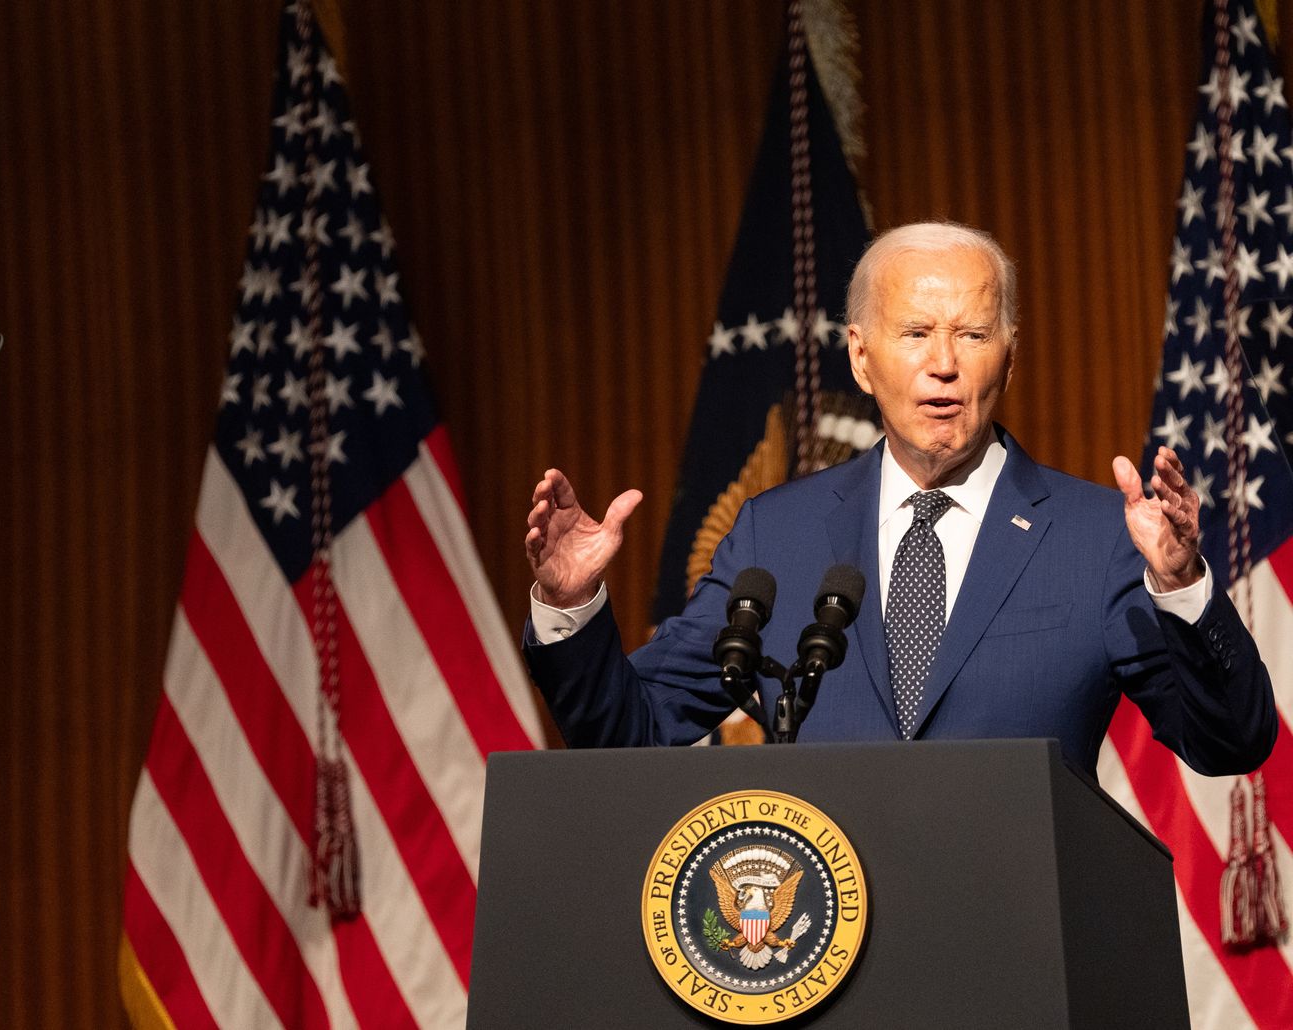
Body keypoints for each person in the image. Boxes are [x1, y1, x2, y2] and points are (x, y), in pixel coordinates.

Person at [522, 221, 1276, 777]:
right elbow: (633, 733)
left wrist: (1181, 587)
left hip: (1025, 959)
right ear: (860, 356)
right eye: (916, 332)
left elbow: (1230, 743)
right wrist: (572, 607)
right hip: (823, 963)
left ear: (1007, 362)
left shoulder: (1098, 539)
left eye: (972, 334)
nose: (943, 364)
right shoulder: (776, 536)